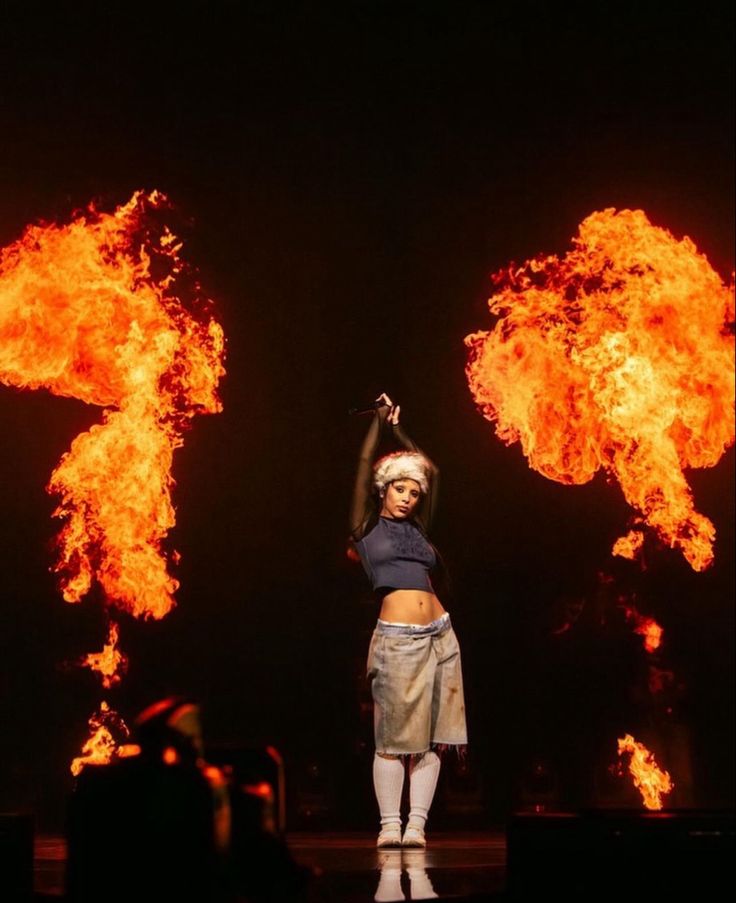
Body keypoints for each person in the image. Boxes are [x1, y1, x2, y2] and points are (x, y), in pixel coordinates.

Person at [350, 393, 467, 849]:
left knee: (434, 739)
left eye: (414, 493)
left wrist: (402, 430)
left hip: (442, 636)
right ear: (385, 489)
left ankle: (416, 824)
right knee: (392, 737)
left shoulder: (419, 530)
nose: (409, 497)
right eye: (401, 488)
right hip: (398, 639)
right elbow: (363, 468)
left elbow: (432, 471)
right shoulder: (365, 527)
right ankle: (389, 826)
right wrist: (381, 425)